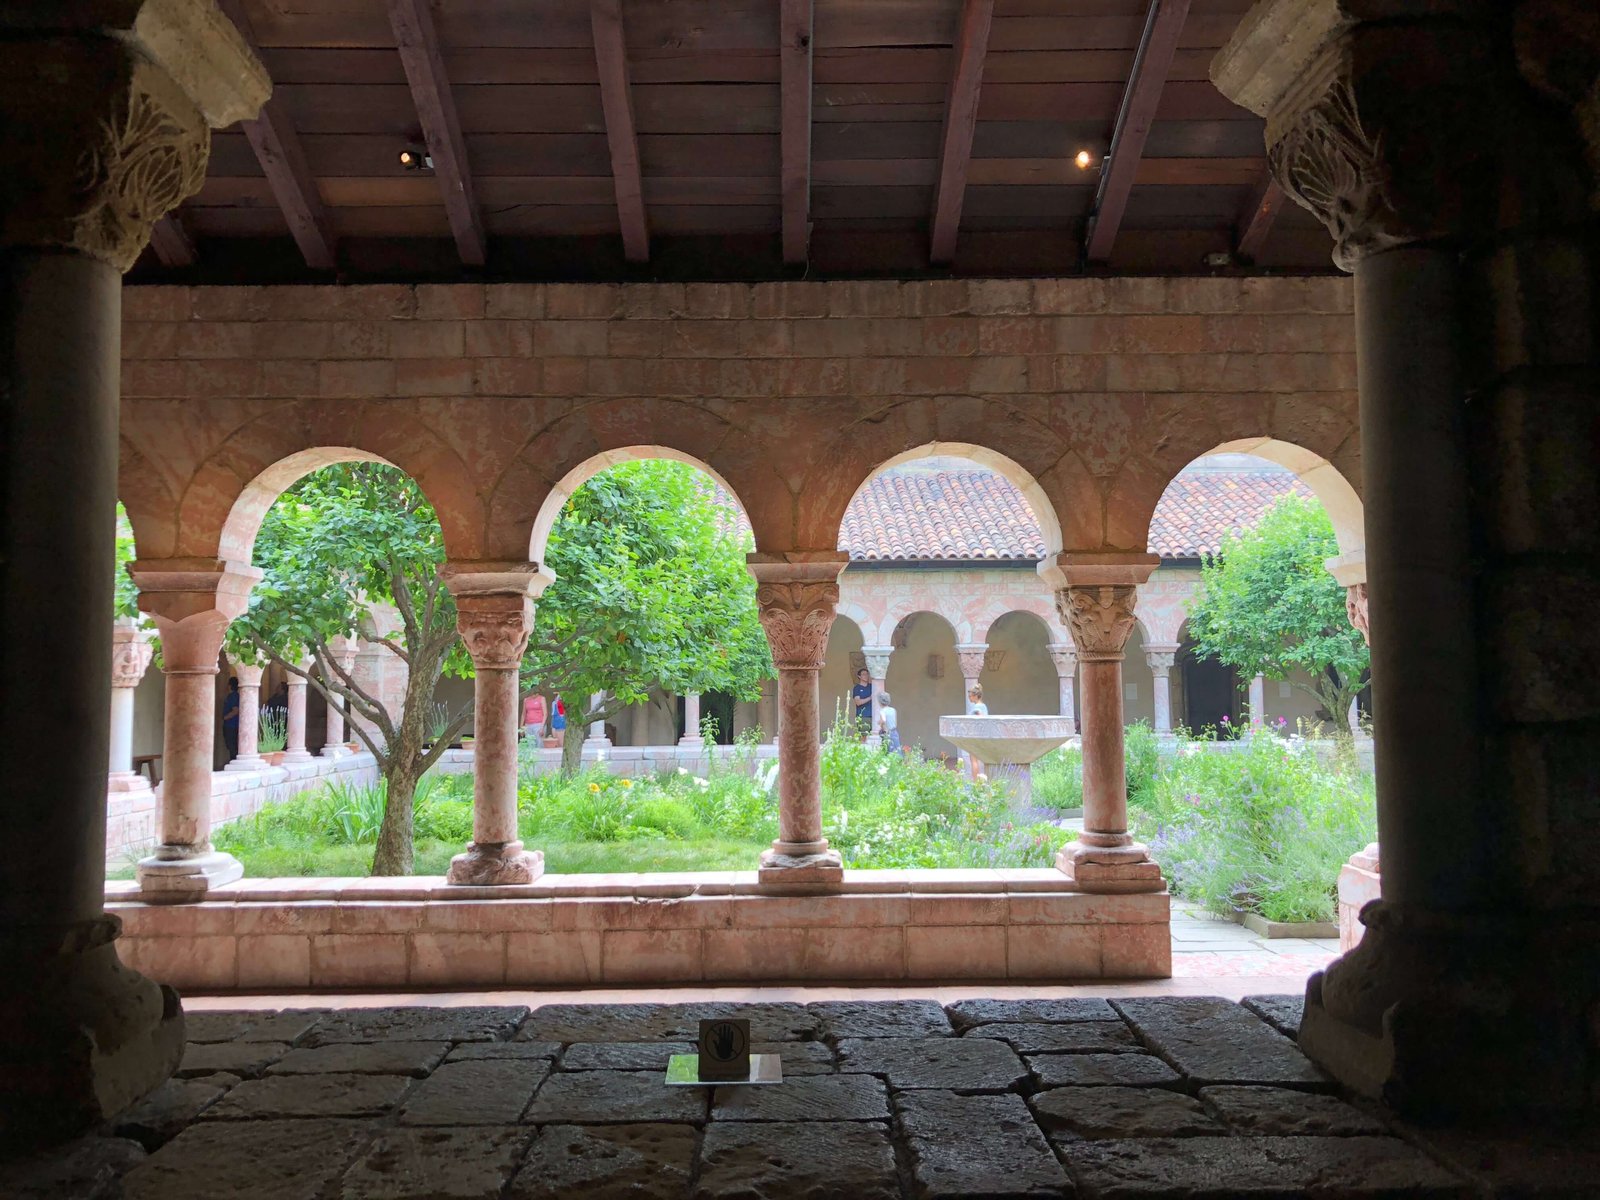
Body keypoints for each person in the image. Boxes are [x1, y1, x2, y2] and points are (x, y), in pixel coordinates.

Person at [965, 683, 988, 780]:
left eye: (970, 696)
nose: (969, 699)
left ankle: (975, 784)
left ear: (975, 696)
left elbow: (980, 715)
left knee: (974, 760)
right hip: (982, 735)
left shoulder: (977, 707)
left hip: (975, 736)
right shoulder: (983, 705)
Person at [221, 677, 240, 761]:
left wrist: (225, 717)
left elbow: (235, 710)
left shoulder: (233, 696)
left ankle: (233, 761)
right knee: (232, 746)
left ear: (230, 686)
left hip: (231, 725)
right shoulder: (234, 696)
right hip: (232, 725)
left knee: (232, 746)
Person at [850, 667, 873, 736]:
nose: (866, 676)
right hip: (863, 716)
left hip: (874, 716)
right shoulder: (857, 688)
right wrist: (870, 697)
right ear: (859, 676)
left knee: (875, 737)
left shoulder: (872, 686)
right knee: (864, 737)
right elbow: (858, 702)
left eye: (867, 674)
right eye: (863, 674)